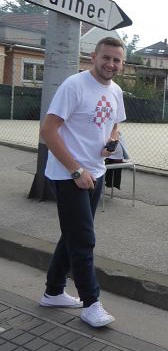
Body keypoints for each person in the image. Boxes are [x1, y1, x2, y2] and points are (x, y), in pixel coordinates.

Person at [39, 36, 126, 328]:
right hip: (69, 176)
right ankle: (91, 303)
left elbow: (114, 125)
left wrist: (111, 144)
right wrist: (76, 170)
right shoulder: (73, 86)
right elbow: (48, 131)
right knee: (84, 239)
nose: (110, 64)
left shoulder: (116, 91)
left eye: (116, 60)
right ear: (93, 57)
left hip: (96, 172)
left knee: (73, 235)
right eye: (106, 58)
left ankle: (53, 292)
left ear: (122, 64)